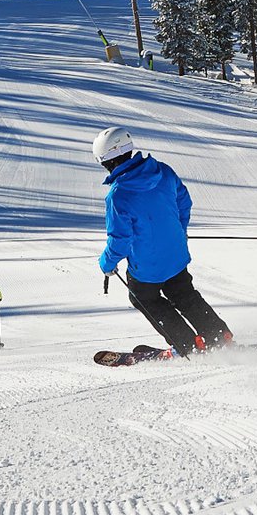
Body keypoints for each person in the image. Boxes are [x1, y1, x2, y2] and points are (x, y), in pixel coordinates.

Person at [92, 127, 233, 355]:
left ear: (106, 161)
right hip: (176, 255)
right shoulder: (163, 171)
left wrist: (107, 264)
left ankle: (187, 344)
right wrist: (179, 231)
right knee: (184, 294)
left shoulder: (118, 195)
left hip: (147, 267)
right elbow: (184, 203)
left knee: (145, 299)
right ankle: (219, 334)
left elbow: (121, 239)